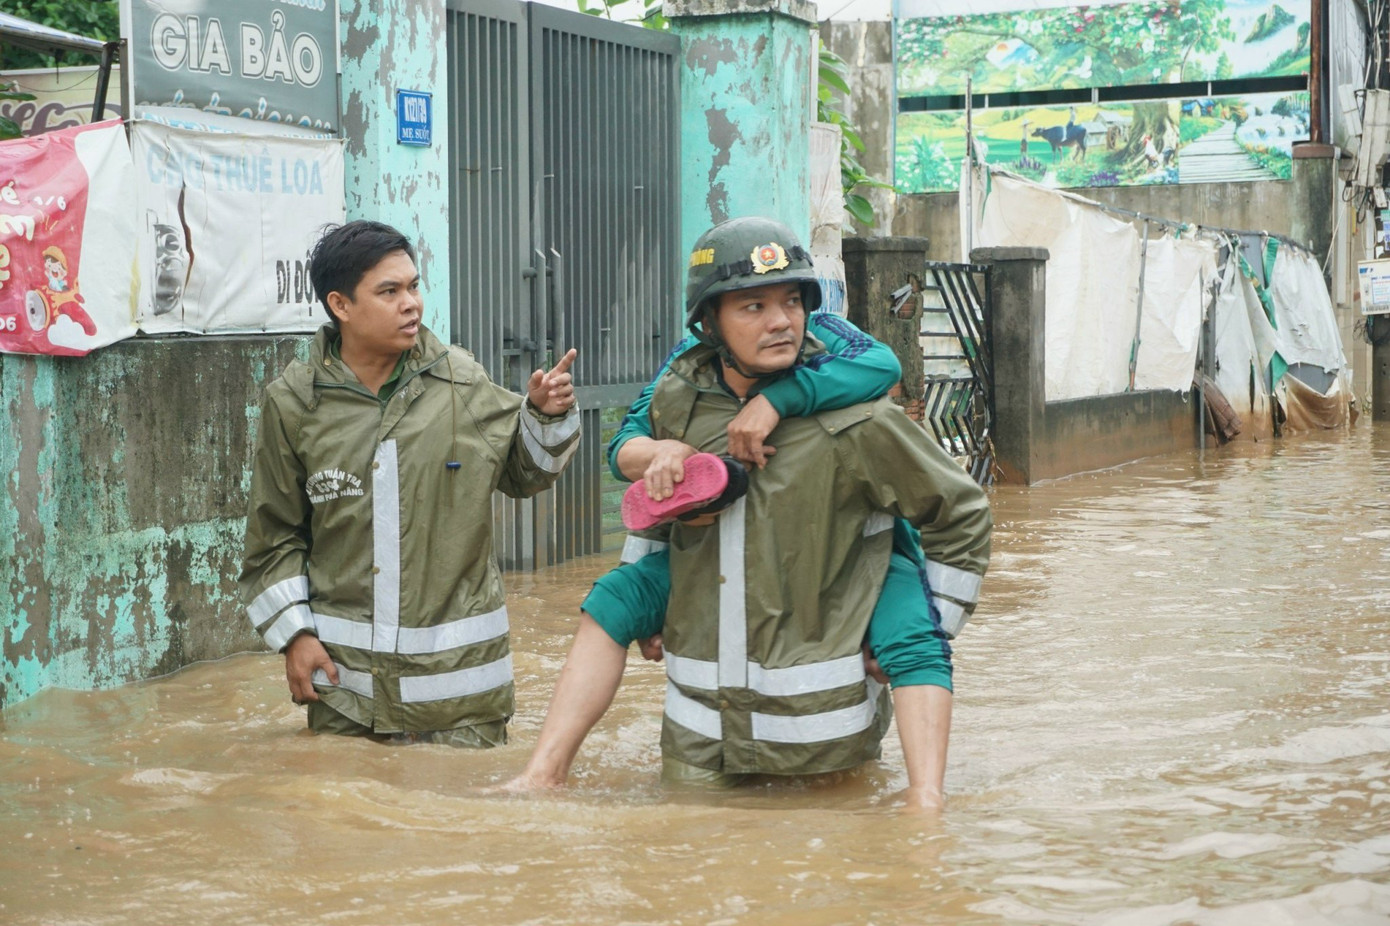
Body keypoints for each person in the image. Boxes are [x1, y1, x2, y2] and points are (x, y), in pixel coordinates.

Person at [509, 217, 991, 806]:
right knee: (611, 599)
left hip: (822, 734)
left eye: (792, 301)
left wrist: (939, 622)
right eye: (754, 306)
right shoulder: (680, 393)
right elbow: (639, 476)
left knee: (914, 637)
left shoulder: (858, 413)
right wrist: (658, 472)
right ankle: (543, 774)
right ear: (709, 323)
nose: (781, 321)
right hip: (701, 737)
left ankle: (925, 803)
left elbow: (960, 512)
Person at [240, 220, 580, 747]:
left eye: (414, 286)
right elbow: (274, 539)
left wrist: (544, 415)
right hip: (346, 698)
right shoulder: (294, 404)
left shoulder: (460, 381)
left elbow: (527, 473)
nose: (411, 304)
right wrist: (296, 637)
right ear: (340, 305)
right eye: (389, 291)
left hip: (463, 703)